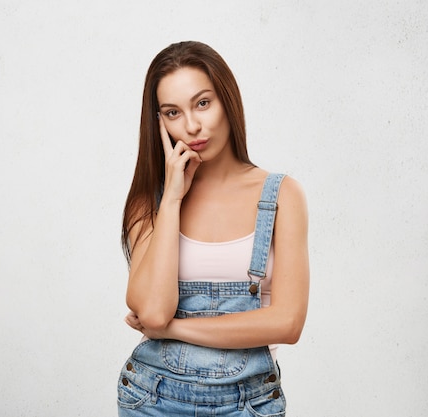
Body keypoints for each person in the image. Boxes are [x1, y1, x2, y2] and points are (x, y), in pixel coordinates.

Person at [118, 41, 309, 416]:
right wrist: (171, 199)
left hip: (246, 405)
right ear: (158, 123)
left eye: (203, 103)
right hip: (152, 401)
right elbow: (154, 314)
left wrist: (175, 330)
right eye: (173, 112)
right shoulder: (150, 203)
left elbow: (287, 323)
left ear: (227, 101)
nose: (191, 126)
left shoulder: (282, 195)